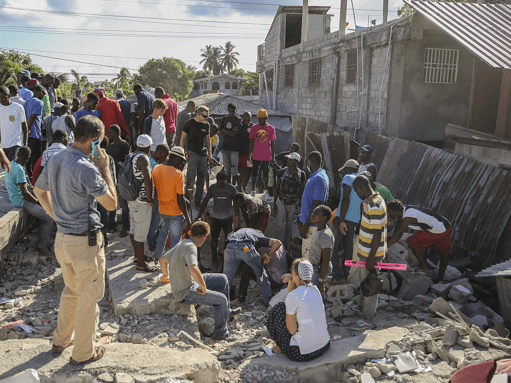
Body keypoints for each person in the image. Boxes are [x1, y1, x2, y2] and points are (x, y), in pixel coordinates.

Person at [34, 114, 117, 365]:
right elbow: (112, 204)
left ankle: (61, 340)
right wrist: (105, 168)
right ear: (93, 140)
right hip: (85, 242)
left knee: (71, 292)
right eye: (99, 142)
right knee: (89, 298)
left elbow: (39, 191)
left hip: (63, 239)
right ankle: (83, 353)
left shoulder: (57, 156)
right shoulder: (87, 167)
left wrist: (57, 217)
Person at [160, 221, 241, 340]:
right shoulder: (191, 247)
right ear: (204, 237)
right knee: (221, 300)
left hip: (190, 282)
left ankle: (226, 312)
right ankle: (221, 333)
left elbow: (163, 259)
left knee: (222, 279)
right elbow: (193, 268)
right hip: (185, 292)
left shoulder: (183, 243)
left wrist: (165, 275)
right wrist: (203, 287)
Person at [266, 259, 330, 361]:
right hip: (324, 345)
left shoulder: (294, 296)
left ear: (295, 273)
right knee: (289, 309)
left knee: (278, 309)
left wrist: (291, 282)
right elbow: (295, 303)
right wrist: (292, 282)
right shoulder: (315, 290)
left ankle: (279, 348)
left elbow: (292, 330)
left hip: (303, 353)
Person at [346, 175, 387, 331]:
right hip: (368, 252)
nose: (357, 195)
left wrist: (371, 259)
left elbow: (377, 234)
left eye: (356, 191)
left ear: (360, 188)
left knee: (372, 285)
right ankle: (362, 309)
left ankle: (367, 318)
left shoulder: (374, 205)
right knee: (365, 282)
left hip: (372, 254)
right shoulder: (373, 201)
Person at [6, 146, 54, 256]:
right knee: (48, 217)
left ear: (17, 155)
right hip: (21, 201)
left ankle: (39, 231)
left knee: (40, 195)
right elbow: (25, 193)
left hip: (15, 196)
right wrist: (38, 202)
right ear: (28, 158)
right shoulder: (19, 169)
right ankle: (42, 246)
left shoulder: (12, 164)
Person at [387, 200, 451, 283]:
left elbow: (399, 234)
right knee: (444, 254)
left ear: (394, 211)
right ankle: (440, 278)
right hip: (446, 225)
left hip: (437, 229)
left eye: (389, 212)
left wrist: (385, 247)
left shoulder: (408, 216)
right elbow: (397, 230)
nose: (389, 214)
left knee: (412, 242)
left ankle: (423, 267)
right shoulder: (404, 210)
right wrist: (390, 240)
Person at [223, 228, 282, 307]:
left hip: (229, 247)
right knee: (260, 273)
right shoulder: (259, 236)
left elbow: (225, 255)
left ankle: (222, 302)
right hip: (245, 247)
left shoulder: (241, 232)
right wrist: (268, 255)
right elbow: (277, 243)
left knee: (226, 278)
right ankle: (267, 300)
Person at [152, 146, 191, 263]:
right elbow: (180, 199)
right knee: (175, 240)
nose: (181, 165)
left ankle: (156, 257)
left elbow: (155, 191)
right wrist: (188, 219)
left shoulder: (156, 169)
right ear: (178, 159)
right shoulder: (178, 174)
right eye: (182, 162)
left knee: (163, 234)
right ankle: (174, 264)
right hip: (175, 213)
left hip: (162, 210)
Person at [196, 172, 237, 272]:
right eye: (218, 183)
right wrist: (199, 215)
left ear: (225, 181)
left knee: (229, 240)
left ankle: (227, 260)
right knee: (214, 240)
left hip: (228, 218)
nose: (220, 185)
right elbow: (206, 201)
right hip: (215, 218)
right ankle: (215, 261)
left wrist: (237, 217)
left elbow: (236, 202)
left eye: (222, 183)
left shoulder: (231, 189)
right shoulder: (212, 188)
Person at [331, 159, 362, 284]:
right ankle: (345, 274)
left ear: (348, 170)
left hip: (343, 217)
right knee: (348, 248)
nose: (342, 174)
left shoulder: (348, 178)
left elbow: (345, 199)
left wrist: (341, 220)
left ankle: (338, 275)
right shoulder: (362, 181)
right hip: (354, 219)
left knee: (331, 245)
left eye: (343, 171)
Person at [127, 134, 155, 272]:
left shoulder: (132, 155)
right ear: (149, 146)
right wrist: (150, 199)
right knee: (140, 232)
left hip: (131, 198)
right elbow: (148, 180)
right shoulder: (143, 158)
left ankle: (138, 256)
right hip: (141, 200)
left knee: (133, 228)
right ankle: (141, 264)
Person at [298, 151, 329, 260]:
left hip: (312, 227)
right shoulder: (317, 176)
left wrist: (306, 225)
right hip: (310, 224)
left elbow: (317, 204)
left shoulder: (319, 179)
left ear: (310, 162)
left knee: (308, 261)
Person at [180, 105, 212, 209]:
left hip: (203, 154)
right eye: (204, 116)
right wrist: (182, 152)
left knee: (201, 178)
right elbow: (183, 138)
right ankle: (187, 200)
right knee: (190, 177)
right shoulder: (189, 124)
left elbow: (208, 140)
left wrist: (210, 154)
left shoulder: (206, 125)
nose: (206, 118)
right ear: (198, 114)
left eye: (207, 116)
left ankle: (198, 200)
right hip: (192, 152)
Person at [274, 152, 305, 247]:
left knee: (289, 226)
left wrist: (301, 205)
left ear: (296, 162)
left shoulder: (301, 174)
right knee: (280, 226)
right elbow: (277, 188)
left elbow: (301, 191)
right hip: (282, 201)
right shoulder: (282, 172)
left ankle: (286, 245)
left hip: (292, 203)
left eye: (291, 160)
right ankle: (278, 247)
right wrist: (274, 203)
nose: (288, 161)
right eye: (288, 159)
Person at [106, 124, 131, 236]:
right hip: (112, 178)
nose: (108, 135)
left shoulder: (124, 145)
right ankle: (112, 225)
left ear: (115, 133)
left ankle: (126, 227)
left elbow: (127, 163)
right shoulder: (110, 147)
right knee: (112, 203)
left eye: (110, 133)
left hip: (121, 180)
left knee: (123, 204)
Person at [146, 143, 171, 257]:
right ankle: (153, 246)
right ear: (160, 153)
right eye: (164, 156)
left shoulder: (148, 161)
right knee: (154, 223)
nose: (164, 159)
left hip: (146, 197)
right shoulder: (156, 167)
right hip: (155, 198)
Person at [308, 205, 334, 294]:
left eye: (316, 214)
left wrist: (321, 280)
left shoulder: (325, 235)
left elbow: (326, 260)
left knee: (317, 293)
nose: (312, 215)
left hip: (320, 269)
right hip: (315, 267)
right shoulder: (319, 230)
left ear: (324, 218)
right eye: (313, 212)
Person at [249, 109, 276, 192]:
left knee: (266, 174)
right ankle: (253, 190)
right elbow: (251, 142)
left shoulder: (271, 128)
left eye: (262, 119)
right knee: (254, 173)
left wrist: (273, 157)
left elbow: (273, 143)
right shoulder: (254, 128)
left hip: (266, 155)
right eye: (259, 119)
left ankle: (266, 191)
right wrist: (249, 154)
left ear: (266, 118)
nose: (261, 120)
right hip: (256, 154)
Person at [0, 86, 28, 161]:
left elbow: (24, 126)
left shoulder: (18, 107)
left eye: (3, 97)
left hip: (16, 141)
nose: (1, 100)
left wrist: (25, 143)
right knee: (8, 166)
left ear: (9, 96)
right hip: (4, 143)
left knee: (12, 163)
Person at [24, 85, 45, 177]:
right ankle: (34, 176)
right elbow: (32, 117)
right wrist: (27, 127)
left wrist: (25, 130)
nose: (43, 96)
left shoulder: (26, 102)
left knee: (28, 156)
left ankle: (29, 174)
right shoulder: (39, 102)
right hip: (35, 133)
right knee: (35, 157)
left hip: (27, 134)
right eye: (43, 94)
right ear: (40, 93)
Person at [219, 102, 241, 186]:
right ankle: (228, 185)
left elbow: (235, 134)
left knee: (234, 170)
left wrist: (225, 131)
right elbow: (220, 132)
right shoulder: (224, 119)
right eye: (230, 111)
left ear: (235, 110)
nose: (231, 112)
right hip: (225, 148)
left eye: (233, 111)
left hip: (234, 149)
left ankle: (233, 186)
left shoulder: (237, 119)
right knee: (227, 169)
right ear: (227, 110)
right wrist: (230, 132)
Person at [238, 112, 253, 192]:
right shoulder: (240, 126)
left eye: (249, 120)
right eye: (245, 120)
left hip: (248, 152)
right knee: (240, 171)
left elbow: (252, 140)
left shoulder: (252, 126)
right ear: (243, 118)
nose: (247, 122)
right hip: (239, 151)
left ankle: (242, 187)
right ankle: (239, 186)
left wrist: (251, 154)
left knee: (246, 171)